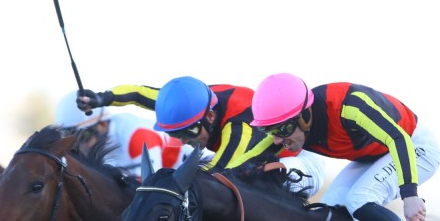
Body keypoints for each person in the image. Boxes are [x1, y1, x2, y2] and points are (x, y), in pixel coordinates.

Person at [249, 73, 440, 221]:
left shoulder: (349, 106)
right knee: (326, 210)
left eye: (282, 130)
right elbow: (247, 163)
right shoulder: (287, 128)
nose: (276, 140)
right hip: (374, 155)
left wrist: (409, 194)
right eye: (270, 131)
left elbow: (398, 139)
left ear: (305, 117)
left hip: (414, 145)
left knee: (359, 198)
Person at [75, 77, 325, 196]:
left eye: (189, 132)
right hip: (248, 162)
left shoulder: (240, 130)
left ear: (211, 118)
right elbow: (140, 94)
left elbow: (216, 175)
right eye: (176, 134)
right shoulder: (192, 102)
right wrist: (101, 98)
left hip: (301, 162)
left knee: (244, 187)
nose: (184, 140)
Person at [53, 90, 187, 177]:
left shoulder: (135, 134)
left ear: (103, 124)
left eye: (84, 137)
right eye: (71, 140)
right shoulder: (100, 136)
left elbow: (148, 191)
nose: (80, 147)